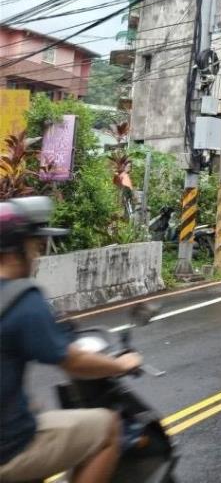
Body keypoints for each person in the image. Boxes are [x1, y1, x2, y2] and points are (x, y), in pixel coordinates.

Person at [1, 197, 142, 483]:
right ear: (15, 251)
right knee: (108, 428)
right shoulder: (21, 299)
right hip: (7, 450)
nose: (37, 256)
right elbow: (73, 362)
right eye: (34, 246)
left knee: (33, 410)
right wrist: (121, 364)